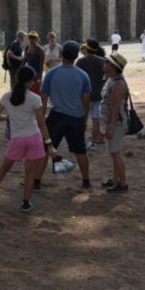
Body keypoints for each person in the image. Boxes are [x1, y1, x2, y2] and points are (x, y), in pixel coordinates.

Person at [0, 66, 57, 212]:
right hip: (34, 138)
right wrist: (49, 144)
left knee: (4, 168)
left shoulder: (7, 96)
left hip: (17, 138)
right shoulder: (35, 98)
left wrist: (9, 117)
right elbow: (41, 123)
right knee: (30, 172)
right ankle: (26, 202)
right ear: (31, 81)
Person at [43, 41, 93, 189]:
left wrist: (41, 119)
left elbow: (43, 99)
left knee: (45, 149)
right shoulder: (83, 75)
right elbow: (86, 101)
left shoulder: (51, 73)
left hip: (56, 116)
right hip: (76, 118)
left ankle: (36, 181)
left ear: (61, 54)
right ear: (77, 56)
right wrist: (84, 120)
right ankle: (86, 181)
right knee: (80, 151)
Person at [100, 53, 130, 193]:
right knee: (113, 152)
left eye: (107, 63)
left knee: (115, 152)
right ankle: (115, 179)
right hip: (112, 122)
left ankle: (122, 183)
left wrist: (110, 127)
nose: (104, 64)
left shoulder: (118, 83)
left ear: (113, 66)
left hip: (116, 123)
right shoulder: (112, 79)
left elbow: (115, 107)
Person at [76, 39, 105, 150]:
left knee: (82, 118)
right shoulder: (103, 61)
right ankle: (93, 143)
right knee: (96, 119)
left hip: (84, 95)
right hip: (98, 94)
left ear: (87, 49)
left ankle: (81, 141)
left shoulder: (80, 62)